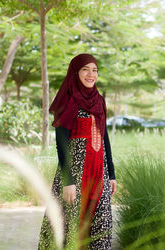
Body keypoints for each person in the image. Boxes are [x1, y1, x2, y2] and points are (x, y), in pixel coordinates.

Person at [39, 54, 116, 249]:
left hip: (99, 171)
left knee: (99, 222)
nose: (91, 74)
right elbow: (61, 143)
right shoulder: (68, 98)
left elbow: (105, 137)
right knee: (71, 222)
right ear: (75, 72)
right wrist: (68, 181)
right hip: (75, 172)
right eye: (85, 69)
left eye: (95, 70)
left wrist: (112, 174)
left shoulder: (99, 100)